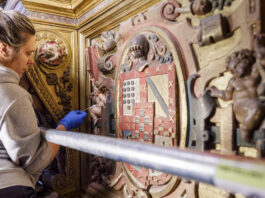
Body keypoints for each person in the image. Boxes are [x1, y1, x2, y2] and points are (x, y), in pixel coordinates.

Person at [0, 8, 87, 198]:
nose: (32, 61)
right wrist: (63, 127)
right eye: (28, 53)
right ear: (4, 49)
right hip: (10, 189)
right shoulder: (11, 92)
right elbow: (35, 160)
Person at [208, 49, 265, 142]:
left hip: (255, 103)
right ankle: (245, 129)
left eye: (236, 67)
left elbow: (260, 59)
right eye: (232, 71)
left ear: (245, 61)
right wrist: (216, 92)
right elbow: (227, 95)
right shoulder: (234, 81)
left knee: (258, 106)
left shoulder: (255, 72)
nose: (235, 72)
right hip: (241, 107)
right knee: (257, 107)